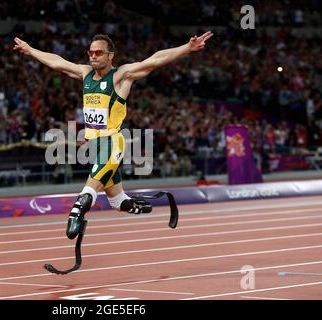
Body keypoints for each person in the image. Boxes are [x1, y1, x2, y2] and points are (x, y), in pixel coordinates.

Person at [13, 31, 213, 239]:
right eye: (90, 52)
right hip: (93, 146)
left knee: (89, 189)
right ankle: (132, 204)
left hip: (112, 142)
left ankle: (76, 212)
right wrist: (30, 50)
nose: (93, 56)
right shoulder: (85, 73)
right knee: (117, 201)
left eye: (98, 52)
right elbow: (57, 62)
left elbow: (155, 60)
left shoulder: (121, 76)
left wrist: (186, 48)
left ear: (110, 55)